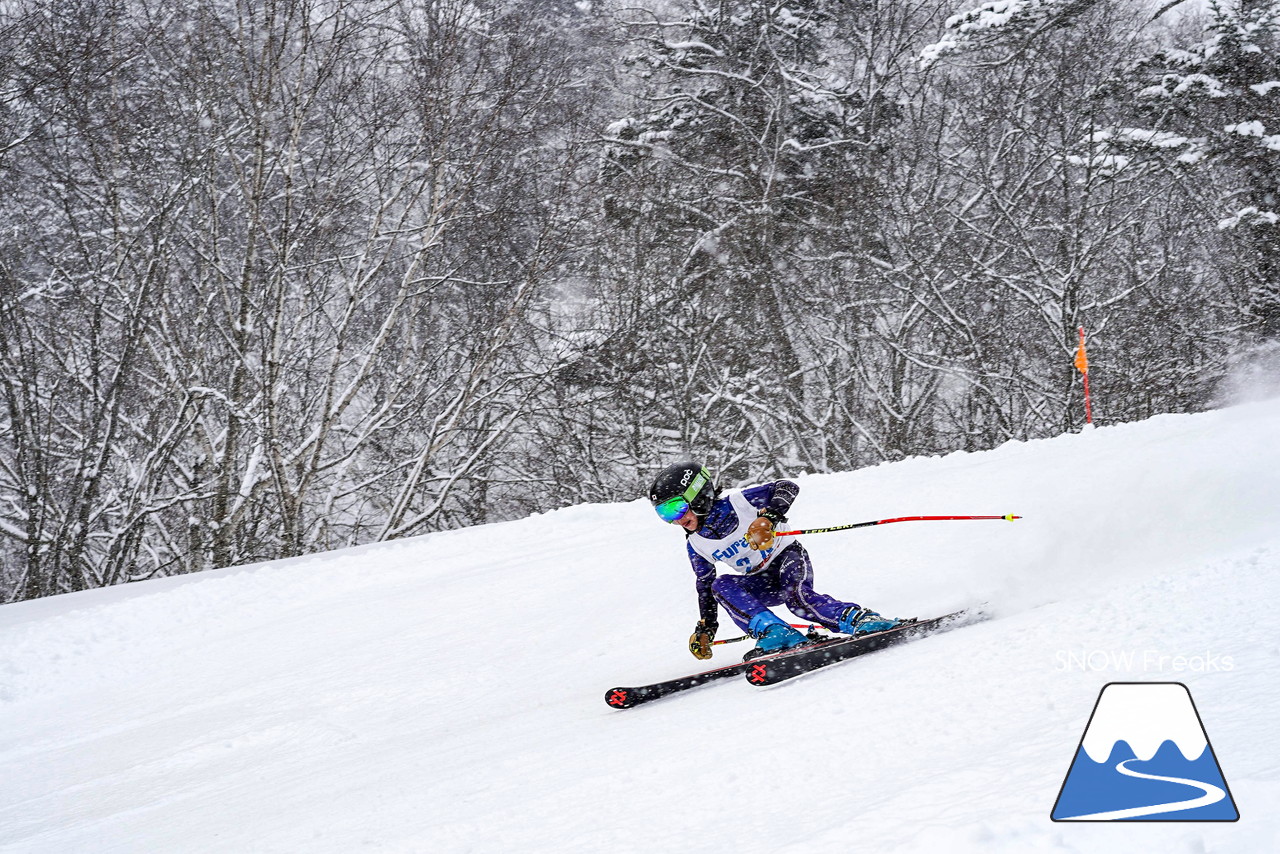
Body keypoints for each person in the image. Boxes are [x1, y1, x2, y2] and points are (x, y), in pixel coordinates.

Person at [647, 460, 903, 661]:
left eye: (676, 508)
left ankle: (860, 619)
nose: (675, 519)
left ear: (698, 495)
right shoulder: (696, 544)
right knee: (720, 585)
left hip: (787, 559)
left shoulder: (739, 503)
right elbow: (705, 586)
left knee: (797, 599)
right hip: (759, 582)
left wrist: (768, 518)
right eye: (664, 514)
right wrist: (707, 628)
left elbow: (787, 487)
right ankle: (776, 633)